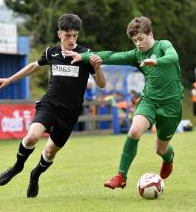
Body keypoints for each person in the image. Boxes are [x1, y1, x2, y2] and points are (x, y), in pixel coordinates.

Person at [63, 16, 183, 189]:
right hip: (149, 100)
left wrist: (156, 61)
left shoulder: (163, 45)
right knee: (134, 132)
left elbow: (173, 56)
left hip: (171, 105)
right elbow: (110, 56)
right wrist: (83, 56)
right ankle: (121, 176)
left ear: (150, 34)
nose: (138, 44)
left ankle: (168, 158)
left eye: (140, 39)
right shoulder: (136, 55)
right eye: (134, 41)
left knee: (161, 149)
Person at [0, 14, 106, 198]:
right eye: (67, 36)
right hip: (49, 105)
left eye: (75, 36)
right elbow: (33, 66)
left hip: (70, 113)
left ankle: (35, 175)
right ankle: (17, 166)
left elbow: (102, 84)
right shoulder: (51, 53)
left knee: (49, 152)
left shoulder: (85, 55)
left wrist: (98, 68)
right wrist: (9, 80)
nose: (71, 40)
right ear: (59, 34)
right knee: (31, 137)